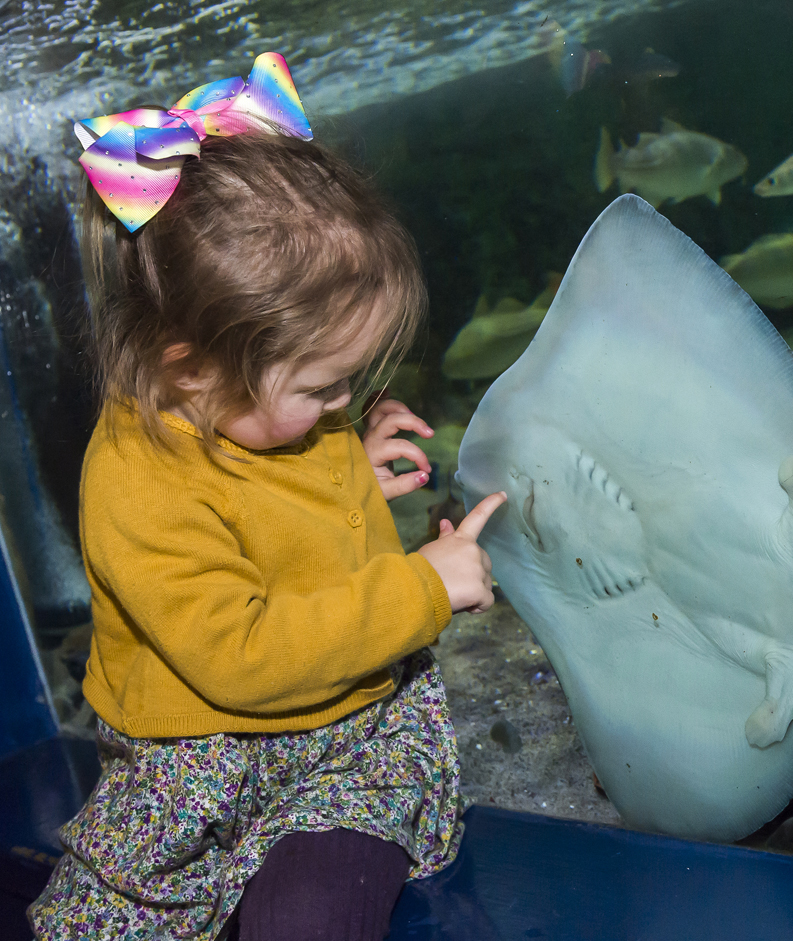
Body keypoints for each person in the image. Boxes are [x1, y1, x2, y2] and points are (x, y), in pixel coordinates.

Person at [28, 53, 506, 941]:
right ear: (194, 367)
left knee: (313, 915)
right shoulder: (134, 480)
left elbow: (262, 499)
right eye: (326, 387)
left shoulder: (253, 409)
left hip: (355, 742)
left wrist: (348, 465)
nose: (341, 406)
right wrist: (422, 587)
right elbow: (241, 654)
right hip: (194, 771)